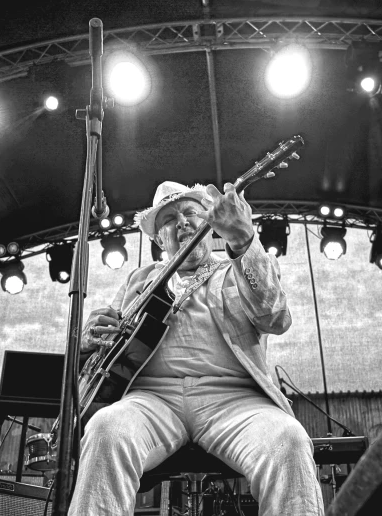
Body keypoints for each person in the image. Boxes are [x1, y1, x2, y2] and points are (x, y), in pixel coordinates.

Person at [69, 181, 324, 515]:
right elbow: (106, 348)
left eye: (191, 212)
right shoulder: (138, 279)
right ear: (159, 239)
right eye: (170, 219)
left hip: (235, 400)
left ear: (210, 225)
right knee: (105, 429)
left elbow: (276, 318)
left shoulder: (240, 264)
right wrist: (90, 338)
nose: (183, 222)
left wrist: (244, 240)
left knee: (288, 440)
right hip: (150, 398)